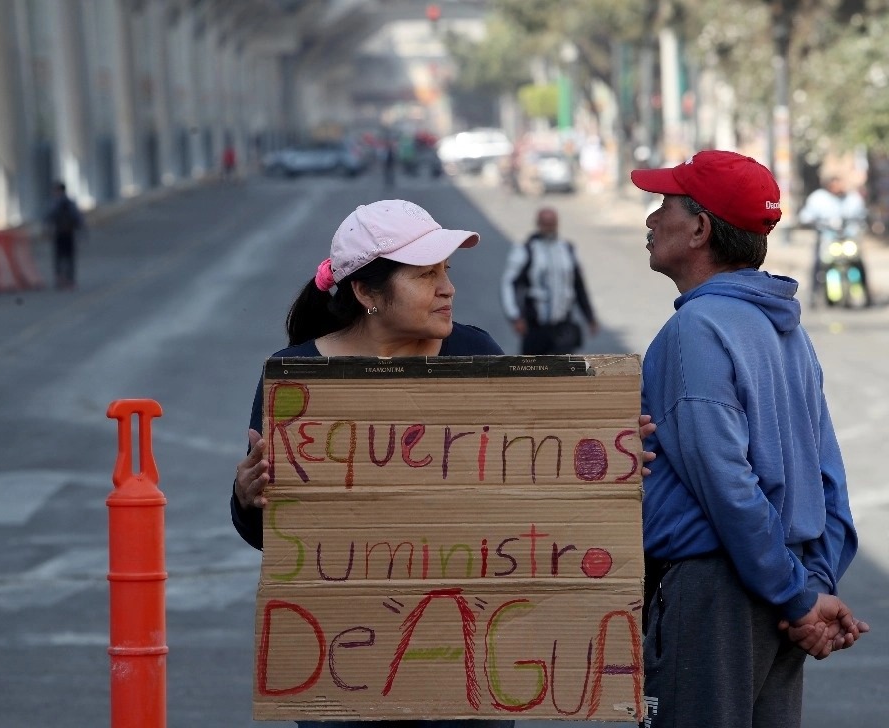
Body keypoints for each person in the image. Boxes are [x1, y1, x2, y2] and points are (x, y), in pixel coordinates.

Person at [230, 198, 658, 728]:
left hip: (471, 664)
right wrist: (248, 498)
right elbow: (274, 539)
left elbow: (535, 489)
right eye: (426, 274)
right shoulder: (297, 378)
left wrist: (602, 468)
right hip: (348, 666)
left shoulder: (477, 354)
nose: (447, 287)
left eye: (446, 271)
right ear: (366, 292)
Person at [630, 150, 869, 728]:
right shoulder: (784, 327)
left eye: (664, 205)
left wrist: (796, 598)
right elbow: (828, 482)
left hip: (719, 595)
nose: (649, 219)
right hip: (781, 587)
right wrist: (810, 589)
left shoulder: (695, 328)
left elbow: (726, 484)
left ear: (700, 229)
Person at [500, 206, 599, 355]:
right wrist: (515, 316)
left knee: (564, 373)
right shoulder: (526, 250)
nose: (549, 227)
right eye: (545, 223)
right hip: (535, 327)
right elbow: (508, 283)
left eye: (552, 223)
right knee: (534, 372)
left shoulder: (567, 249)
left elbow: (578, 285)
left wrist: (590, 317)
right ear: (538, 223)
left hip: (563, 327)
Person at [797, 174, 870, 307]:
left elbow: (863, 214)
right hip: (827, 238)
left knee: (858, 262)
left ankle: (867, 295)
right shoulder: (818, 198)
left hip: (848, 238)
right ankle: (813, 295)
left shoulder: (853, 199)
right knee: (818, 263)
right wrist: (812, 222)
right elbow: (806, 216)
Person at [44, 180, 84, 289]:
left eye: (55, 190)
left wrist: (47, 230)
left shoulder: (57, 203)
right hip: (66, 233)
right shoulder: (69, 202)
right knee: (67, 257)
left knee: (62, 257)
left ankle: (63, 279)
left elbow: (49, 217)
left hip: (62, 233)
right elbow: (78, 218)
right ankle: (67, 280)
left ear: (59, 190)